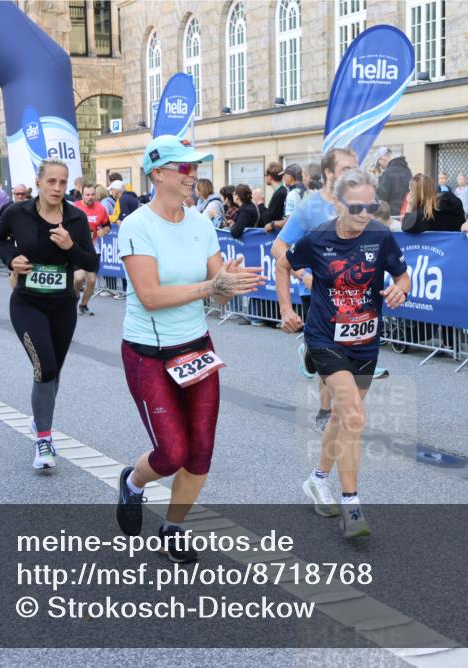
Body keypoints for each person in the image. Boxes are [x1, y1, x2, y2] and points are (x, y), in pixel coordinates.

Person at [113, 135, 266, 561]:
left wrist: (229, 285)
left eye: (195, 166)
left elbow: (218, 292)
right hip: (149, 354)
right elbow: (150, 296)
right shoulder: (137, 225)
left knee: (200, 453)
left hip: (196, 348)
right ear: (157, 173)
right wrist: (210, 286)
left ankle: (173, 527)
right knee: (171, 452)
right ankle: (132, 483)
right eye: (184, 168)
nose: (192, 174)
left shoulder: (201, 223)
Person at [276, 168, 410, 538]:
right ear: (337, 202)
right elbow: (284, 264)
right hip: (325, 338)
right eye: (357, 207)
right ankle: (352, 506)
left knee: (342, 417)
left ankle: (318, 479)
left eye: (372, 205)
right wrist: (287, 310)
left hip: (365, 341)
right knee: (353, 414)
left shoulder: (380, 237)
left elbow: (403, 275)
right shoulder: (316, 239)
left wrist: (401, 289)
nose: (365, 213)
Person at [0, 158, 98, 470]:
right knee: (45, 367)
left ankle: (40, 421)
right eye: (52, 181)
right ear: (38, 182)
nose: (58, 188)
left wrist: (70, 246)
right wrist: (11, 259)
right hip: (27, 302)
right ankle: (44, 439)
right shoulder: (17, 212)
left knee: (53, 371)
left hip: (63, 304)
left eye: (63, 183)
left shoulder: (75, 218)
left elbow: (91, 263)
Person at [272, 148, 359, 432]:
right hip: (319, 295)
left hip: (352, 295)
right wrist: (304, 274)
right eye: (346, 169)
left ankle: (312, 354)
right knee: (331, 353)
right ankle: (326, 410)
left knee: (343, 354)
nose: (353, 174)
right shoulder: (310, 207)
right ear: (329, 174)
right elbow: (279, 247)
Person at [72, 184, 110, 316]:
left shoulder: (100, 208)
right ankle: (74, 298)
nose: (90, 197)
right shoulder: (74, 207)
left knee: (92, 280)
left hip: (93, 249)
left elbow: (107, 226)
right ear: (82, 195)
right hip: (77, 248)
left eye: (92, 195)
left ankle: (84, 305)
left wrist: (103, 232)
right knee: (78, 278)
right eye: (87, 195)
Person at [376, 151, 412, 215]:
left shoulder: (387, 172)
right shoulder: (407, 170)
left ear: (383, 159)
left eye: (379, 163)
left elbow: (381, 197)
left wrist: (378, 181)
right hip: (405, 212)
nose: (380, 166)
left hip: (391, 215)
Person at [263, 162, 288, 232]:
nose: (265, 177)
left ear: (270, 177)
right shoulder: (282, 191)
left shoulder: (280, 193)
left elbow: (269, 218)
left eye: (265, 175)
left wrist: (260, 204)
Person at [280, 164, 307, 229]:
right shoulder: (306, 190)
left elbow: (290, 222)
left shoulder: (293, 193)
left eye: (284, 175)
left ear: (291, 177)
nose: (283, 177)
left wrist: (273, 224)